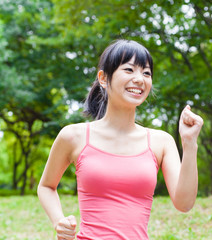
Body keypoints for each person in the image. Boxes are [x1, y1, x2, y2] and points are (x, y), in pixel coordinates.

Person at [37, 39, 203, 240]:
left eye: (146, 72)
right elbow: (46, 186)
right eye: (129, 70)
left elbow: (184, 203)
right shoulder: (74, 136)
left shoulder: (161, 142)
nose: (140, 79)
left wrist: (189, 143)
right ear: (104, 78)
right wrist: (58, 221)